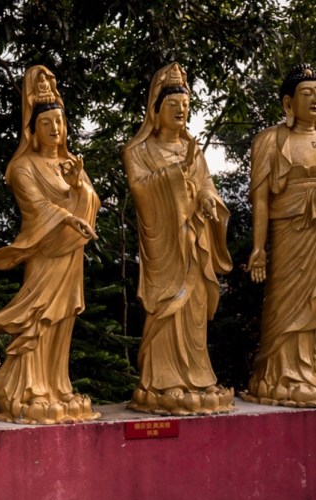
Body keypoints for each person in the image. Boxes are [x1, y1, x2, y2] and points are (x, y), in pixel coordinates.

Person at [0, 66, 100, 425]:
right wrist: (67, 216)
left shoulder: (71, 164)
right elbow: (35, 207)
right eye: (47, 122)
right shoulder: (23, 165)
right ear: (32, 129)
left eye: (59, 122)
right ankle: (30, 388)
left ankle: (57, 385)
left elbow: (91, 199)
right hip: (44, 252)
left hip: (70, 254)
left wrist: (78, 187)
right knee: (39, 319)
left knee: (63, 319)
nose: (55, 129)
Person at [122, 62, 234, 415]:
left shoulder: (194, 151)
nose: (181, 111)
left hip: (194, 243)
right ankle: (162, 382)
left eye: (185, 106)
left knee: (194, 310)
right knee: (167, 309)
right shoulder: (137, 151)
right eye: (173, 105)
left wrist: (207, 202)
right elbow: (141, 193)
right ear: (156, 109)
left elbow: (206, 187)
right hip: (165, 247)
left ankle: (198, 378)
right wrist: (174, 174)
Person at [245, 64, 316, 406]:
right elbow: (260, 199)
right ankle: (281, 373)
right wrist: (258, 248)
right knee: (286, 301)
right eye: (307, 93)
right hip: (289, 229)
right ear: (289, 104)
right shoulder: (270, 140)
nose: (315, 99)